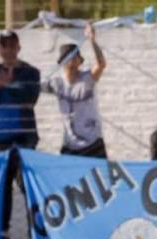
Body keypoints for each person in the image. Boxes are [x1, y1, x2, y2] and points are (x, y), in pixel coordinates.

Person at [0, 30, 41, 239]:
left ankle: (34, 234)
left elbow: (31, 98)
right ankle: (2, 233)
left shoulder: (30, 72)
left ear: (18, 47)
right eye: (4, 46)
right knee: (1, 190)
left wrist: (9, 84)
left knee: (28, 188)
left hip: (24, 141)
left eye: (12, 45)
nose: (8, 50)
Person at [41, 23, 107, 158]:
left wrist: (92, 40)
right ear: (62, 62)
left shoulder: (88, 78)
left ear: (79, 60)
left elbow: (101, 64)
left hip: (93, 143)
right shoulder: (57, 83)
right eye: (68, 57)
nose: (72, 59)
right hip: (70, 145)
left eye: (74, 56)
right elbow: (33, 86)